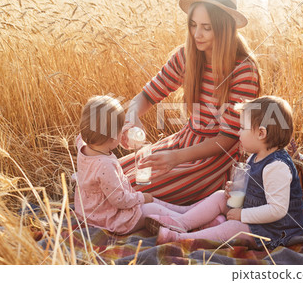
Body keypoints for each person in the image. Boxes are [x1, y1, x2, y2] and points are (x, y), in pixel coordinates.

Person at [119, 0, 261, 205]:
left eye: (207, 27)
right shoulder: (186, 56)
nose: (197, 34)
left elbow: (228, 139)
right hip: (184, 141)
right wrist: (132, 117)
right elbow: (147, 95)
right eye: (193, 25)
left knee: (131, 189)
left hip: (217, 157)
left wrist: (175, 159)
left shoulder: (243, 70)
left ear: (224, 28)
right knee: (112, 176)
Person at [144, 96, 303, 249]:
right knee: (220, 196)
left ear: (261, 133)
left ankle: (181, 239)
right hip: (251, 213)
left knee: (234, 227)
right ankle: (181, 222)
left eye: (242, 128)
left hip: (274, 230)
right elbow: (254, 189)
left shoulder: (276, 166)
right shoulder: (256, 156)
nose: (238, 133)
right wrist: (235, 189)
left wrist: (242, 215)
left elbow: (277, 210)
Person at [74, 95, 221, 234]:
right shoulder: (105, 165)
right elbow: (119, 200)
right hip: (111, 219)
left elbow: (93, 131)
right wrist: (142, 197)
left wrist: (118, 130)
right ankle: (192, 221)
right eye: (120, 131)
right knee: (151, 208)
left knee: (152, 205)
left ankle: (187, 212)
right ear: (113, 138)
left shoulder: (82, 143)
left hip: (89, 212)